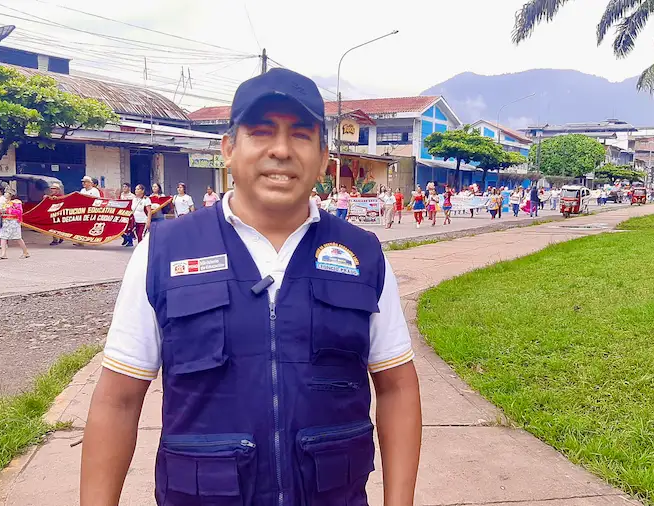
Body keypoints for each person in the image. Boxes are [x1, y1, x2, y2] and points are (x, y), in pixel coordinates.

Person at [80, 67, 420, 506]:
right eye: (261, 132)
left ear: (322, 158)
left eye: (300, 135)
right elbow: (118, 401)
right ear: (228, 149)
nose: (280, 150)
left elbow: (397, 387)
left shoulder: (363, 256)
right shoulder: (164, 251)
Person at [0, 190, 30, 260]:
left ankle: (25, 252)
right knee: (3, 237)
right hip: (5, 221)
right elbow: (3, 210)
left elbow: (19, 212)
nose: (5, 194)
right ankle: (3, 254)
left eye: (6, 192)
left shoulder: (17, 202)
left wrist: (8, 210)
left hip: (14, 221)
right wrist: (1, 213)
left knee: (17, 237)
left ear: (10, 194)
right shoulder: (5, 202)